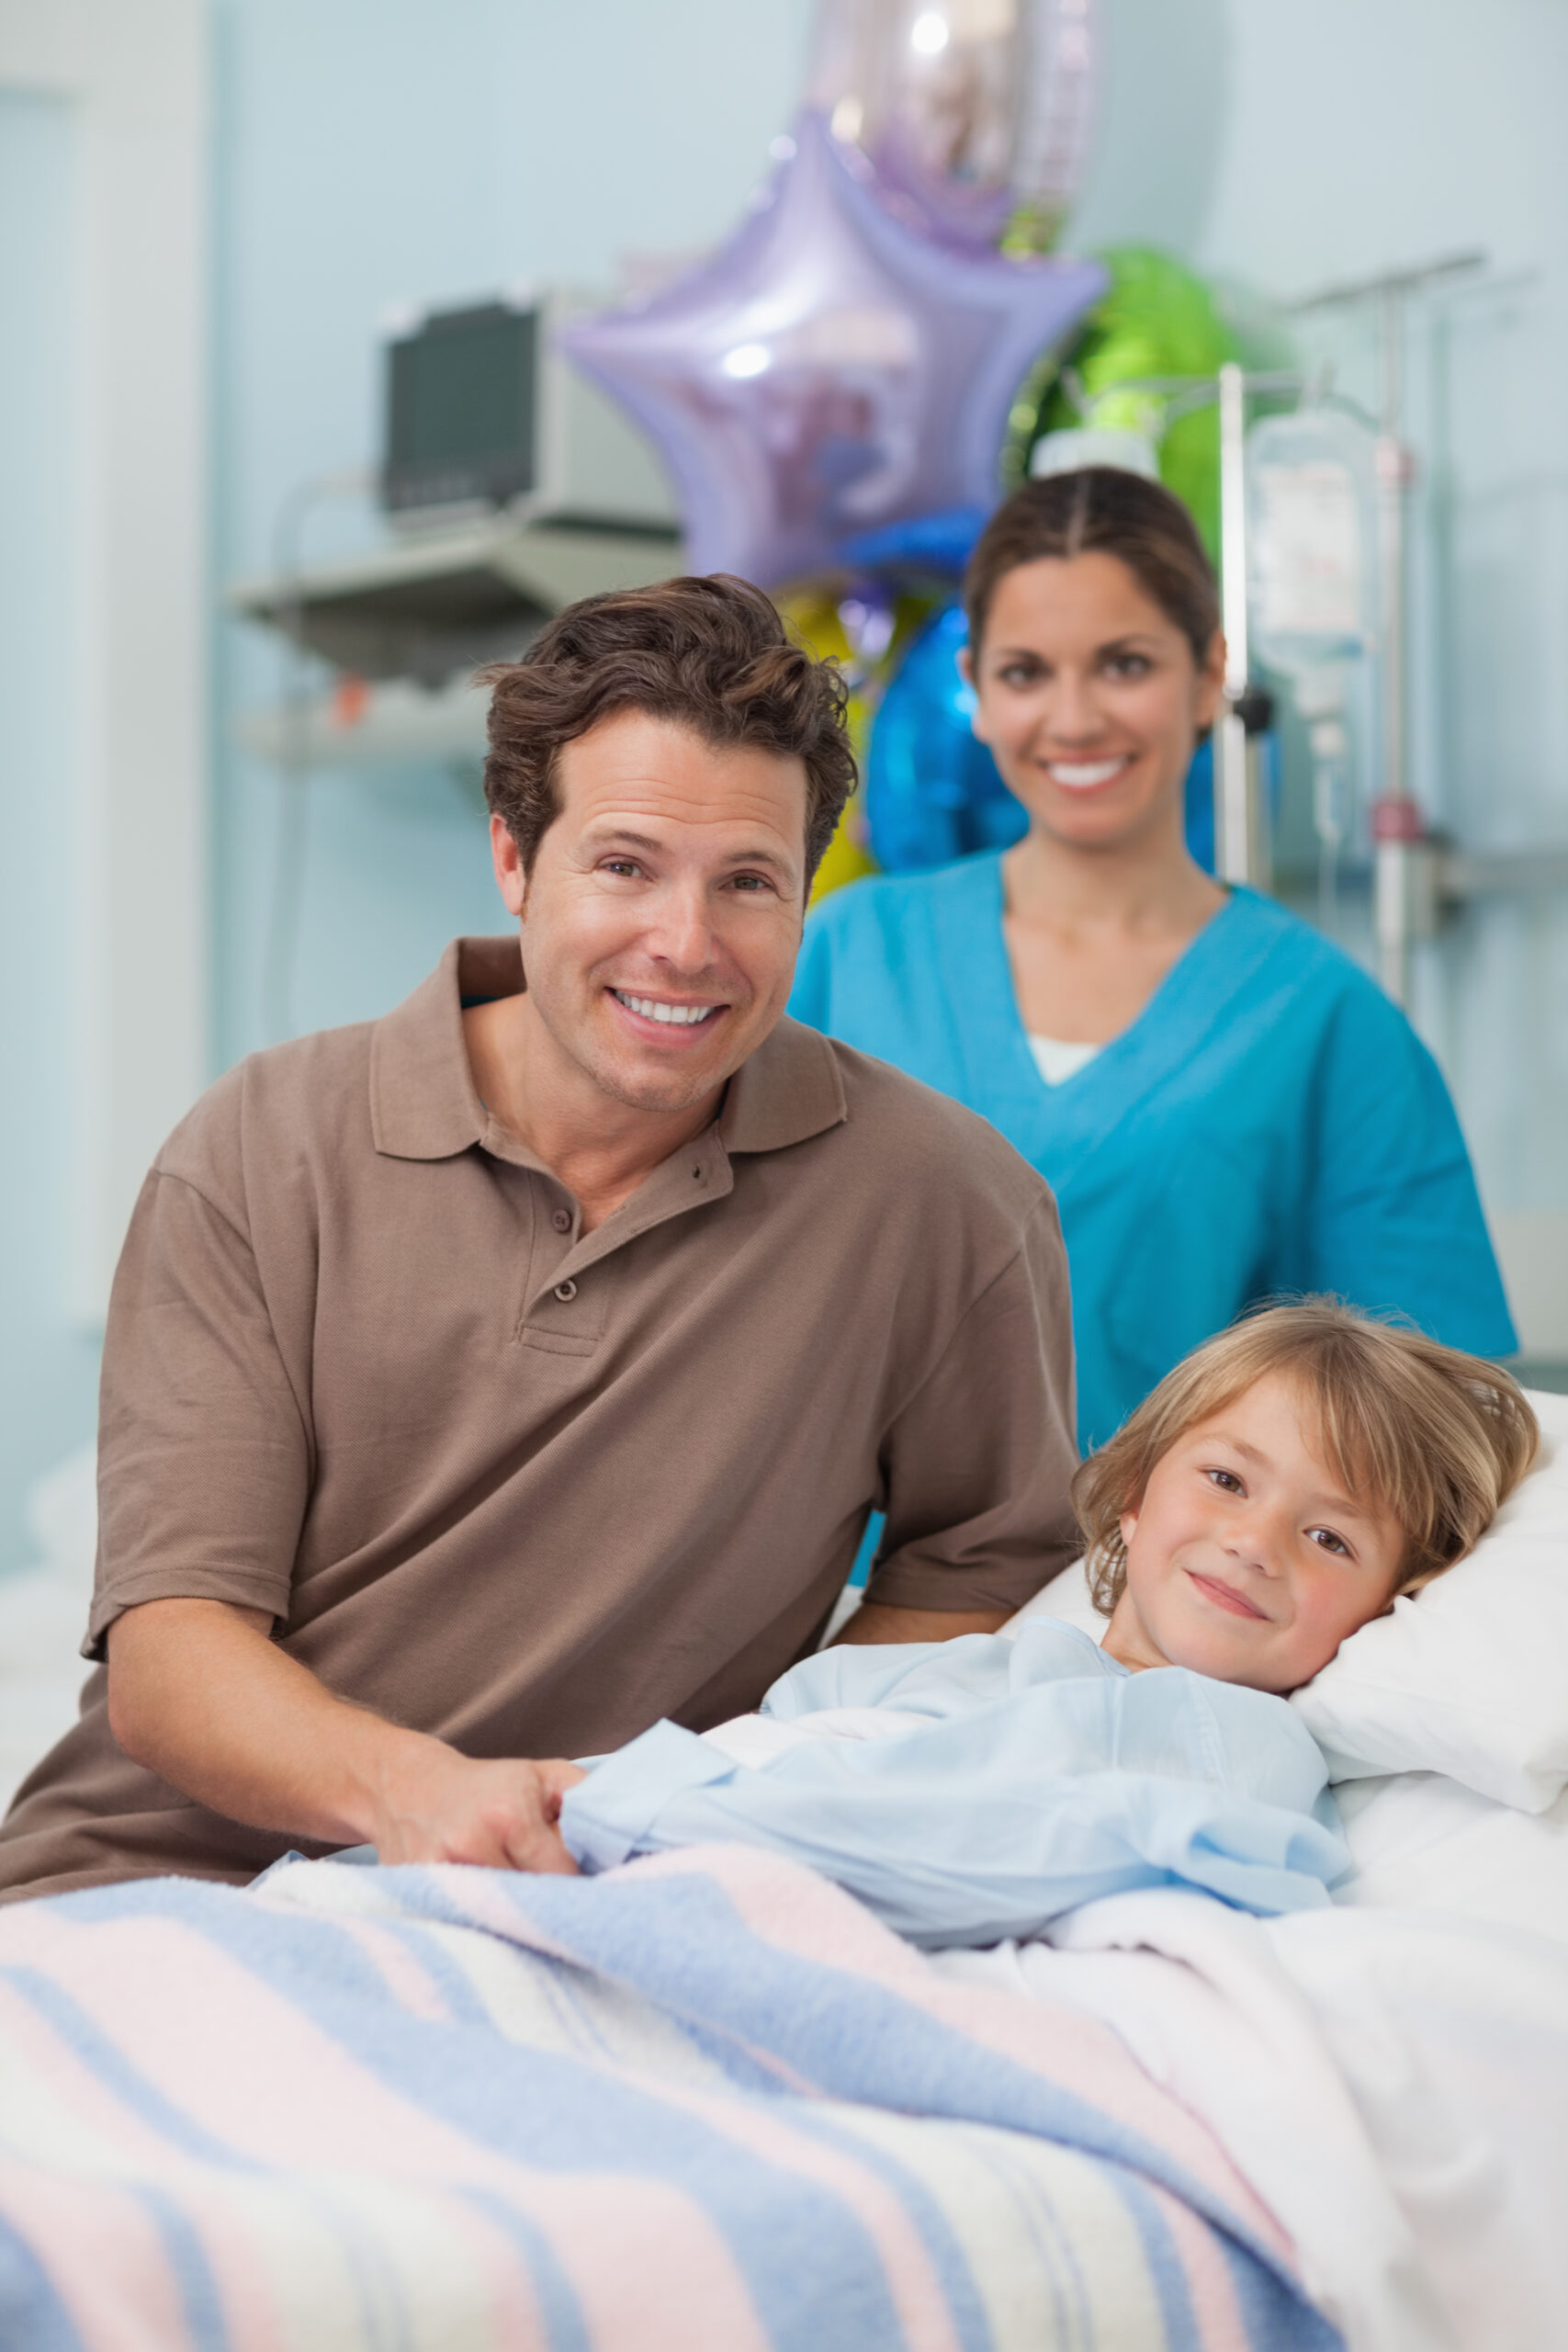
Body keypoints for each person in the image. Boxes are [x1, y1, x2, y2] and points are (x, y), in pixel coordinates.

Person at [0, 575, 1080, 1907]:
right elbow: (172, 1659)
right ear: (514, 860)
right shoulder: (259, 1150)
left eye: (747, 882)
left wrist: (752, 1781)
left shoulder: (945, 1208)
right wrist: (420, 1794)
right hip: (160, 1882)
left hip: (588, 1892)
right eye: (623, 866)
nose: (684, 946)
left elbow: (987, 1567)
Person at [788, 469, 1517, 1453]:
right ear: (976, 691)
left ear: (1209, 675)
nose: (1076, 718)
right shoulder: (849, 951)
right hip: (834, 1585)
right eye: (1026, 672)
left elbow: (1437, 1420)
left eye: (1125, 664)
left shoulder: (1322, 1021)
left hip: (1152, 1594)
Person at [494, 1302, 1535, 1949]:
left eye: (1331, 1539)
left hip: (720, 1884)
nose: (1258, 1542)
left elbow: (1020, 1849)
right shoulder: (936, 1669)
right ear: (1132, 1494)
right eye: (1226, 1479)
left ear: (1383, 1614)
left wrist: (649, 1820)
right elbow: (776, 1744)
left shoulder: (1239, 1740)